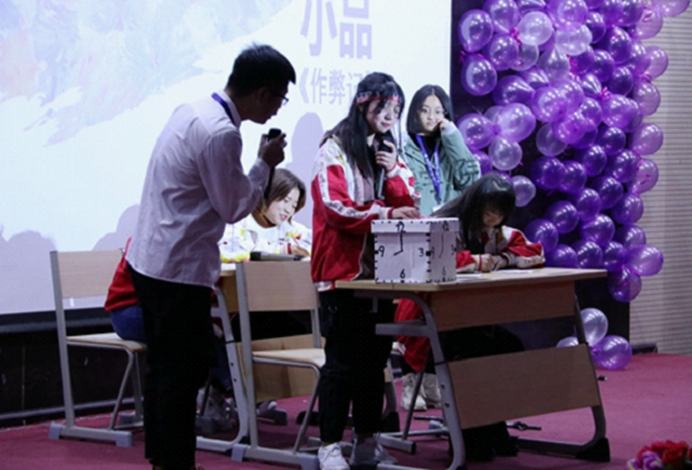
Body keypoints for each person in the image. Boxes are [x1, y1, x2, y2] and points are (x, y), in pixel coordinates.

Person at [125, 44, 295, 470]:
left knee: (165, 369)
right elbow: (233, 206)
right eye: (279, 98)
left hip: (153, 259)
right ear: (261, 93)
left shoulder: (193, 109)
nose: (278, 108)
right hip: (179, 267)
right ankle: (176, 463)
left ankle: (163, 459)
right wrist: (264, 164)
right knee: (182, 374)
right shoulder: (222, 133)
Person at [311, 72, 420, 470]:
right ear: (362, 104)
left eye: (396, 109)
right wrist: (384, 214)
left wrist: (393, 173)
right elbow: (334, 208)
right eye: (383, 106)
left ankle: (367, 441)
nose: (390, 115)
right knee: (342, 363)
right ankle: (328, 445)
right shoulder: (334, 148)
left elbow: (411, 205)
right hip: (342, 275)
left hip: (381, 276)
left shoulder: (387, 151)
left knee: (374, 364)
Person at [394, 173, 545, 461]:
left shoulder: (494, 232)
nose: (494, 219)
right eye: (489, 212)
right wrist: (474, 261)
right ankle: (469, 438)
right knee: (474, 353)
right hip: (426, 323)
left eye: (500, 214)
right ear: (475, 205)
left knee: (507, 346)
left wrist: (502, 259)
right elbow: (425, 259)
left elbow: (532, 250)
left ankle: (493, 429)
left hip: (467, 321)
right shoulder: (443, 223)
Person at [404, 84, 480, 217]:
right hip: (417, 223)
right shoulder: (404, 148)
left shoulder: (451, 146)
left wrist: (451, 134)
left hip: (450, 222)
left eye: (438, 112)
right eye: (425, 111)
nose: (431, 117)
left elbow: (470, 182)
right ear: (416, 112)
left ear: (446, 113)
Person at [219, 168, 311, 263]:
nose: (288, 210)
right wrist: (283, 250)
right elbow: (230, 251)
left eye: (294, 206)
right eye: (286, 201)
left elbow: (314, 243)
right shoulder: (237, 221)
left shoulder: (289, 228)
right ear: (267, 193)